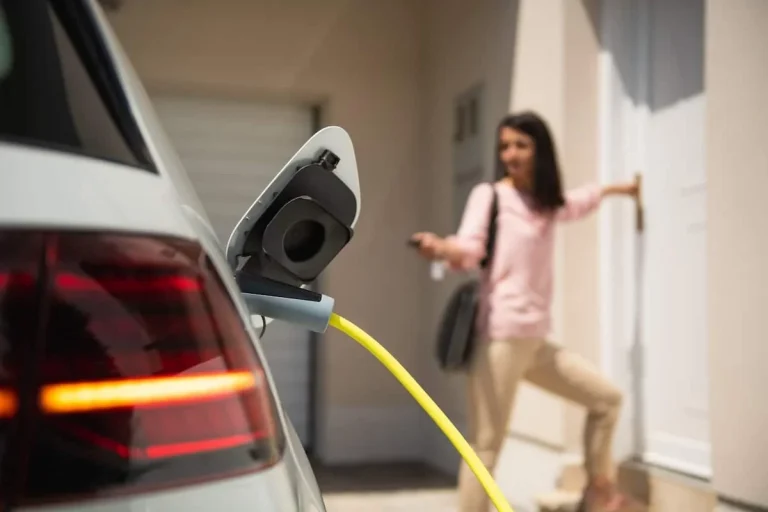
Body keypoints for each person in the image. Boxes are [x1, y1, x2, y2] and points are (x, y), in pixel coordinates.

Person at [410, 111, 639, 512]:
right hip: (499, 339)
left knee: (607, 400)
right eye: (504, 146)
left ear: (540, 150)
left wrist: (623, 189)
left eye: (521, 145)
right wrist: (442, 248)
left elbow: (582, 200)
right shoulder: (492, 196)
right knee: (485, 449)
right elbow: (470, 247)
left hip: (534, 342)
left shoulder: (545, 204)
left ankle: (597, 494)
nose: (510, 154)